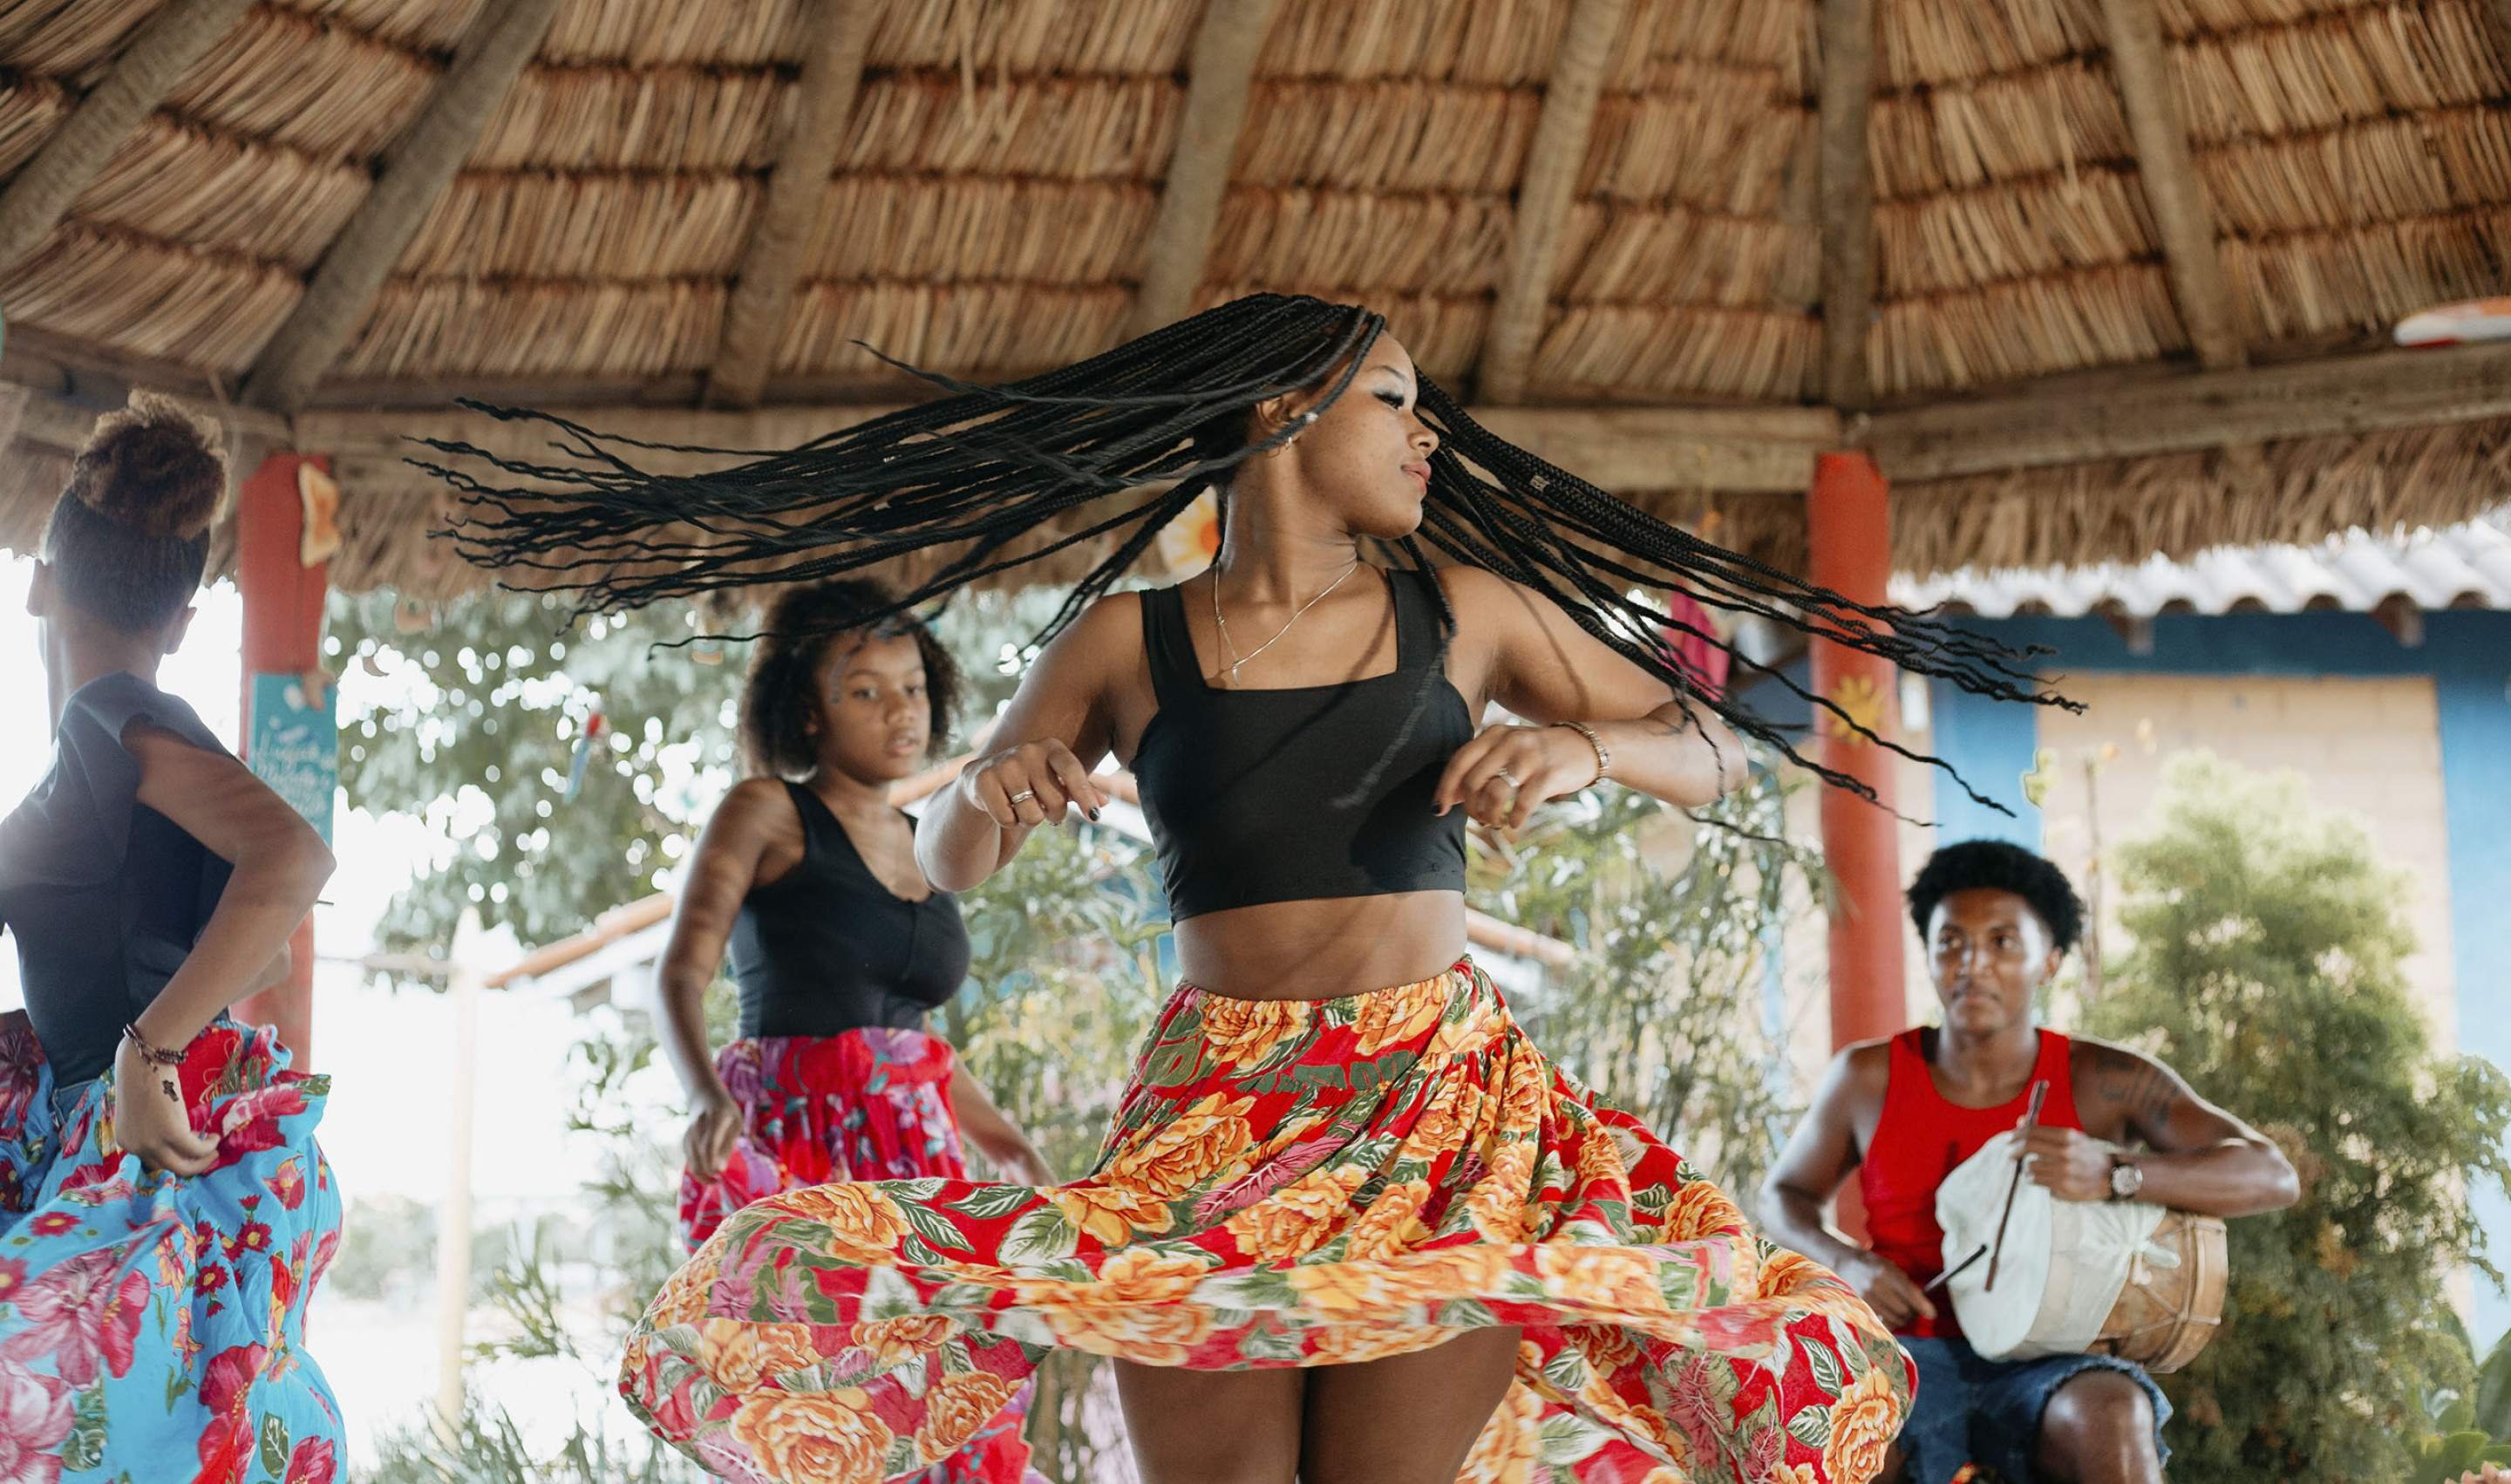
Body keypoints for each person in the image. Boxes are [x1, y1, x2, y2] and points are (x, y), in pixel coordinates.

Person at [430, 295, 2067, 1484]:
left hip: (1439, 1117)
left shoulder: (1466, 609)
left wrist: (1584, 748)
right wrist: (993, 793)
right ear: (1284, 410)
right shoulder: (1123, 639)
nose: (1428, 435)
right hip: (1211, 1123)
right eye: (1395, 401)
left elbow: (1706, 743)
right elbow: (944, 862)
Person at [0, 394, 344, 1481]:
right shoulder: (86, 762)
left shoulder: (114, 721)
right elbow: (267, 947)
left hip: (142, 1137)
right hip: (123, 1132)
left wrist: (146, 1051)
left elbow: (293, 858)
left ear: (40, 582)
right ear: (184, 619)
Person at [658, 577, 1048, 1482]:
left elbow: (912, 1049)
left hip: (921, 1173)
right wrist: (703, 1095)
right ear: (807, 712)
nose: (899, 711)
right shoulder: (766, 810)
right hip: (800, 1153)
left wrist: (1012, 1147)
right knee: (822, 1424)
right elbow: (681, 971)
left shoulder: (931, 839)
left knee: (945, 1423)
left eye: (912, 687)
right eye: (865, 691)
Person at [1759, 839, 2301, 1484]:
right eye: (1951, 942)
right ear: (1928, 954)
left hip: (2053, 1353)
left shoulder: (2103, 1080)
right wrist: (1846, 1262)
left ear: (2050, 960)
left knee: (2114, 1414)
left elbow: (2272, 1175)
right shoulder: (1868, 1077)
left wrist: (2116, 1174)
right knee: (1839, 1427)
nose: (1973, 964)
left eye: (2002, 942)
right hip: (1905, 1350)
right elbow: (1783, 1197)